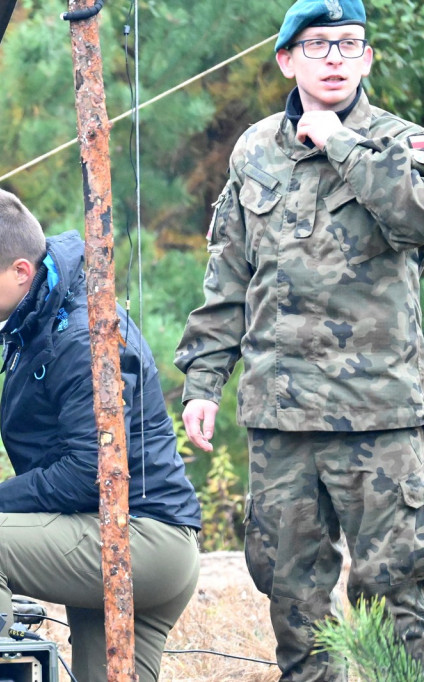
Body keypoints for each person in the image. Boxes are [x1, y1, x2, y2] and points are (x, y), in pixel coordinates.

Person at [175, 0, 424, 678]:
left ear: (369, 57)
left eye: (350, 44)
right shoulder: (256, 150)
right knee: (291, 597)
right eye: (318, 45)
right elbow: (229, 273)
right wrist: (203, 380)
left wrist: (339, 143)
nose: (336, 58)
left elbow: (414, 218)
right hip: (281, 420)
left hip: (377, 418)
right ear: (286, 59)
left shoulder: (401, 143)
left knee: (399, 593)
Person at [0, 188, 202, 682]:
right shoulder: (44, 318)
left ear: (20, 271)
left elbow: (89, 472)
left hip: (144, 540)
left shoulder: (81, 336)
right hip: (137, 538)